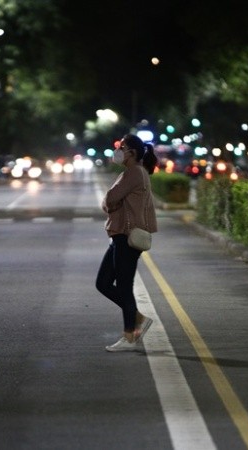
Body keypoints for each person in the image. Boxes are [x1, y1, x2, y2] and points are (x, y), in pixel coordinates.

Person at [96, 134, 159, 352]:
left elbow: (110, 199)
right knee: (103, 283)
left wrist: (111, 202)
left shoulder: (134, 173)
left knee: (123, 286)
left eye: (122, 147)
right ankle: (138, 318)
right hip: (119, 236)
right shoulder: (131, 173)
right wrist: (111, 202)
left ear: (131, 153)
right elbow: (109, 202)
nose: (118, 150)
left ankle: (130, 335)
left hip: (127, 236)